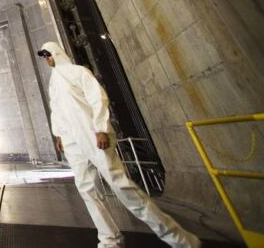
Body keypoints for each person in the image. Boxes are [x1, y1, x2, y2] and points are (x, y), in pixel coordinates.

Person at [37, 42, 200, 248]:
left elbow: (98, 99)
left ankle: (181, 240)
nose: (46, 59)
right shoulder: (53, 82)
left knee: (121, 186)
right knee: (86, 189)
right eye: (44, 56)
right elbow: (56, 109)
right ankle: (109, 239)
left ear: (56, 53)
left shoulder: (77, 72)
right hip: (72, 142)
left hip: (92, 134)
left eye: (48, 54)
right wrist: (58, 134)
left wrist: (102, 128)